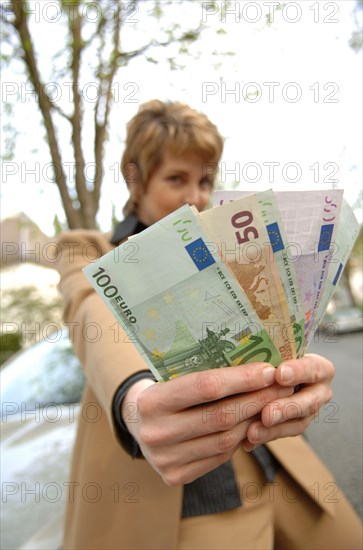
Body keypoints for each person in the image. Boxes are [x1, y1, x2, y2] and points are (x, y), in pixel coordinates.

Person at [57, 100, 362, 549]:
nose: (195, 198)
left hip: (279, 468)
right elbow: (90, 313)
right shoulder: (87, 249)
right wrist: (137, 396)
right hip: (183, 502)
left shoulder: (224, 247)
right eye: (176, 178)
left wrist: (293, 379)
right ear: (134, 179)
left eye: (204, 181)